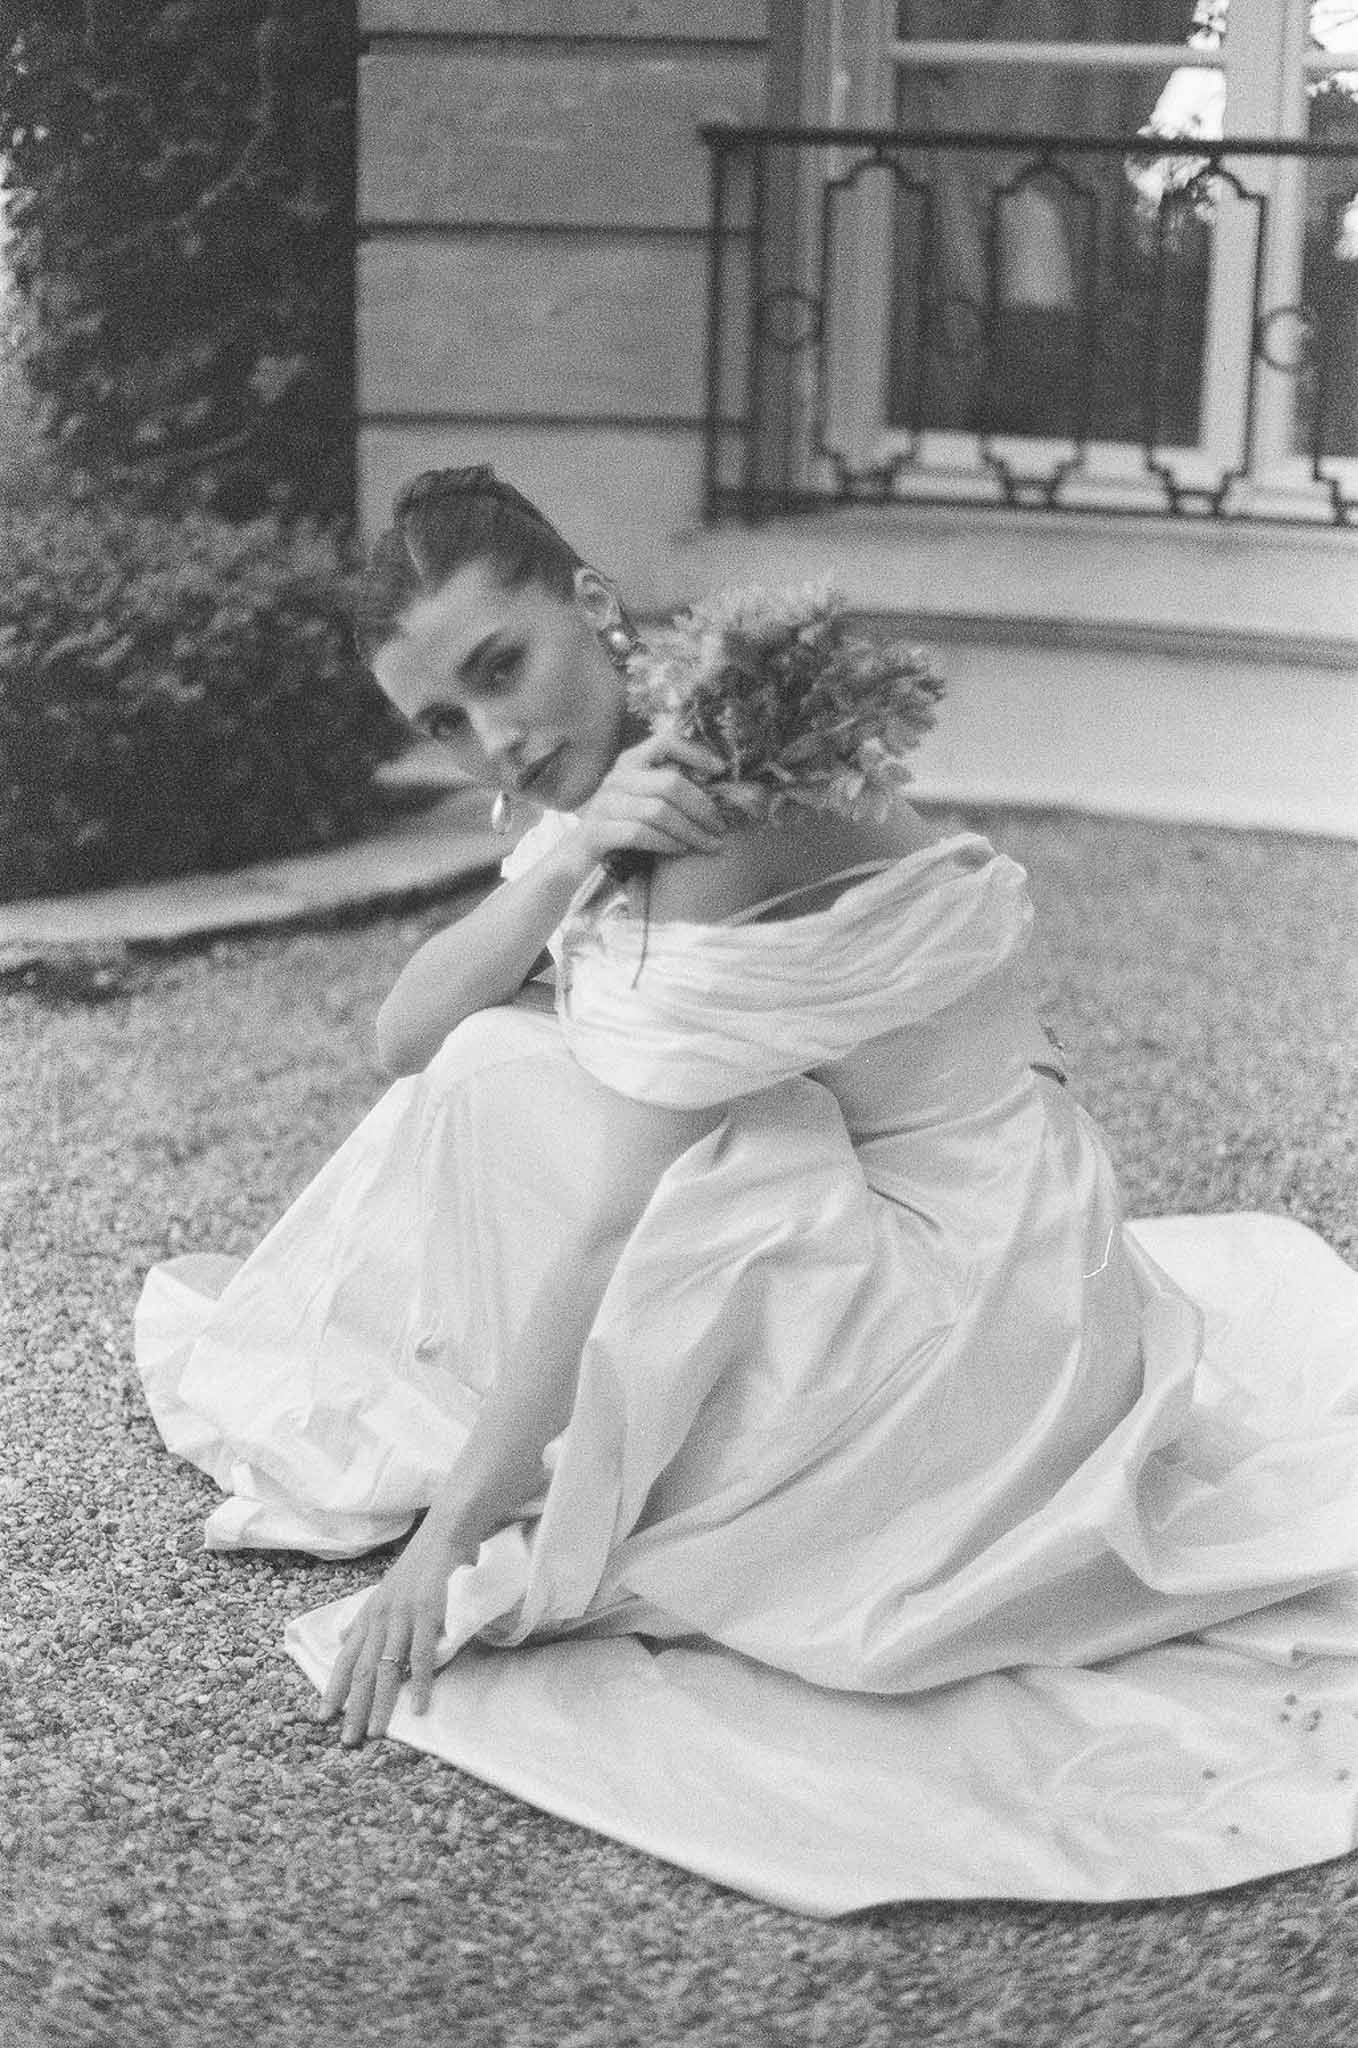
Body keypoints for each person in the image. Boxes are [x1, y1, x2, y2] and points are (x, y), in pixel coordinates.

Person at [135, 466, 1358, 1913]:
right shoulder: (629, 773)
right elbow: (401, 1037)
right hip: (980, 1202)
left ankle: (619, 1456)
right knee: (484, 1069)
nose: (498, 741)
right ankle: (570, 1422)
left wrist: (453, 1544)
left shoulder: (718, 810)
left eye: (499, 668)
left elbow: (616, 1231)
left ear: (592, 603)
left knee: (685, 1155)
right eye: (443, 725)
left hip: (977, 1301)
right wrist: (563, 856)